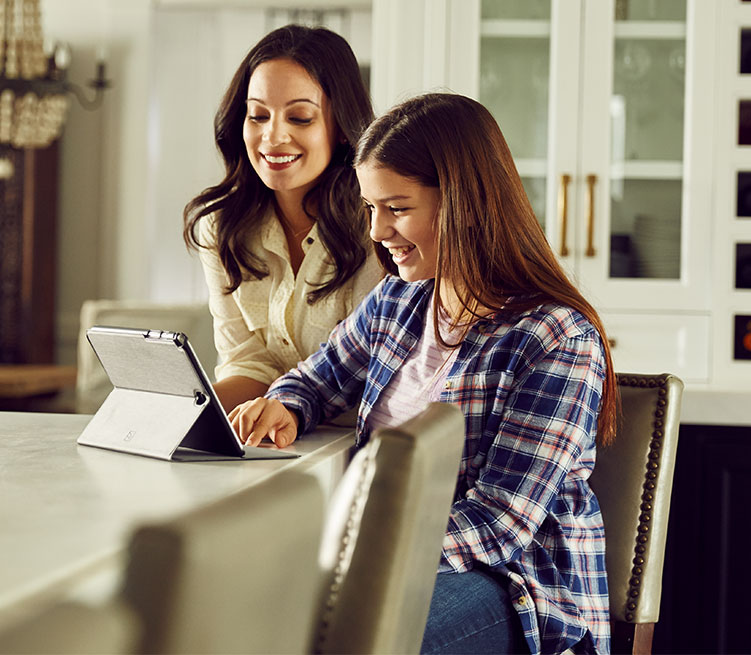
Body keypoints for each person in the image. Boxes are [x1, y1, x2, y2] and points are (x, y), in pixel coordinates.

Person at [228, 93, 620, 655]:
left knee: (342, 638)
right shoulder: (401, 299)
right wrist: (285, 404)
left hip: (515, 588)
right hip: (389, 557)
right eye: (370, 208)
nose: (377, 231)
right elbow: (318, 378)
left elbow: (499, 523)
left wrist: (353, 552)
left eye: (398, 208)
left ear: (464, 203)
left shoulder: (556, 337)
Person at [183, 25, 384, 411]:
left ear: (341, 126)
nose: (272, 137)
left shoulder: (378, 225)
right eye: (257, 115)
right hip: (272, 441)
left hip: (354, 446)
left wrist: (286, 406)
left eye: (300, 118)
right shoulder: (220, 228)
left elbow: (369, 369)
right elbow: (246, 363)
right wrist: (185, 411)